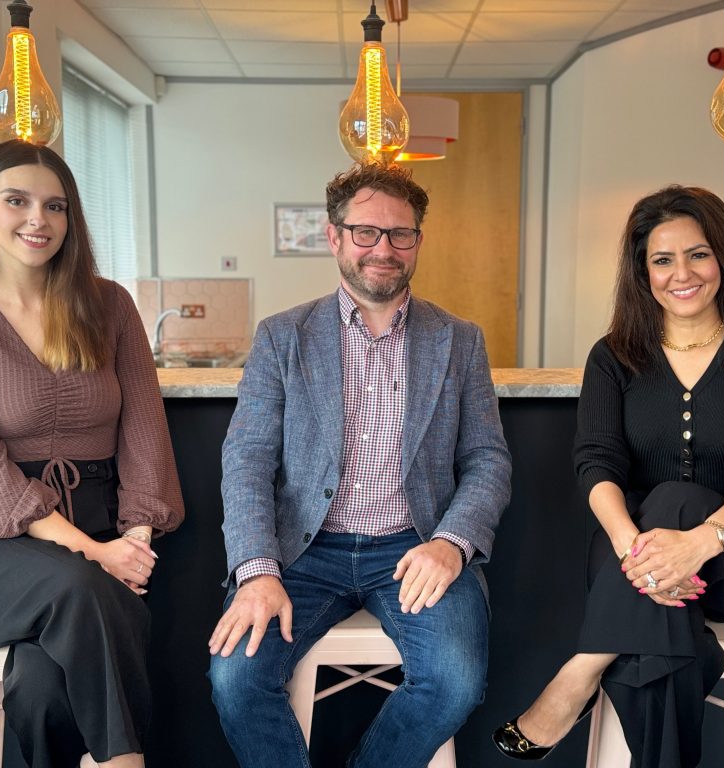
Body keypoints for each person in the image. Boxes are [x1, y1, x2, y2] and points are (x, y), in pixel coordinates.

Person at [208, 162, 512, 767]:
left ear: (418, 241)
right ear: (334, 237)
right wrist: (257, 569)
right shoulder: (282, 336)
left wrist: (452, 543)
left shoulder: (460, 340)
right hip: (301, 554)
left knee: (455, 681)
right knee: (235, 681)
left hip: (414, 548)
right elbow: (245, 461)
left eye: (401, 234)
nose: (384, 248)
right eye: (366, 232)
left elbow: (487, 459)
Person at [492, 185, 724, 766]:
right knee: (658, 641)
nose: (680, 273)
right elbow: (597, 462)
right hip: (628, 557)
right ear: (642, 272)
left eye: (697, 254)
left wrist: (695, 545)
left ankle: (582, 669)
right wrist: (636, 550)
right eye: (662, 260)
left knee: (678, 500)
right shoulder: (614, 357)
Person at [0, 140, 185, 768]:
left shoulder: (110, 305)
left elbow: (146, 433)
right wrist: (96, 554)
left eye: (55, 206)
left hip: (104, 532)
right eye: (17, 201)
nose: (39, 220)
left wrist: (133, 544)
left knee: (41, 683)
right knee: (78, 585)